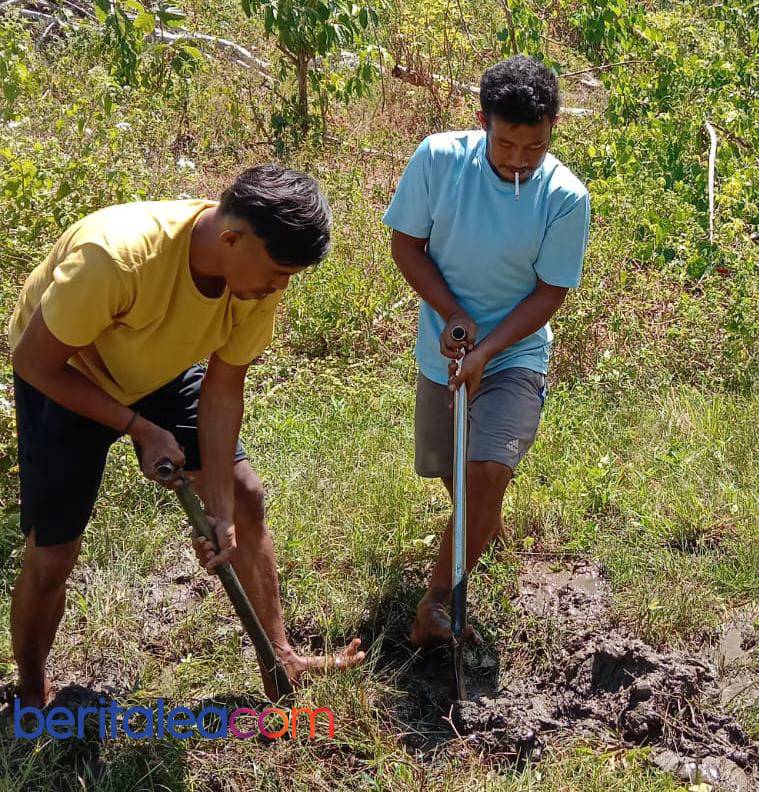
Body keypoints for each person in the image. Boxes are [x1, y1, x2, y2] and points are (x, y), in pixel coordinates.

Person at [9, 165, 366, 706]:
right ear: (231, 239)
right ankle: (33, 694)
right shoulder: (116, 259)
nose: (280, 287)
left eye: (290, 275)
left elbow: (223, 389)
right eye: (277, 272)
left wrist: (219, 506)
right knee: (53, 556)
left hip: (157, 364)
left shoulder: (254, 277)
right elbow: (34, 362)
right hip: (68, 371)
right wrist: (140, 428)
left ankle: (280, 658)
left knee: (245, 496)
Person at [383, 55, 590, 645]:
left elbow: (550, 291)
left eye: (536, 147)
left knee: (489, 469)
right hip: (443, 349)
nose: (520, 160)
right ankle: (483, 537)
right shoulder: (440, 160)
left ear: (553, 130)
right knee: (457, 476)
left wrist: (490, 348)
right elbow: (407, 247)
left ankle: (435, 605)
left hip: (517, 351)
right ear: (482, 122)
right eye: (507, 145)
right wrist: (453, 318)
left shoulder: (567, 197)